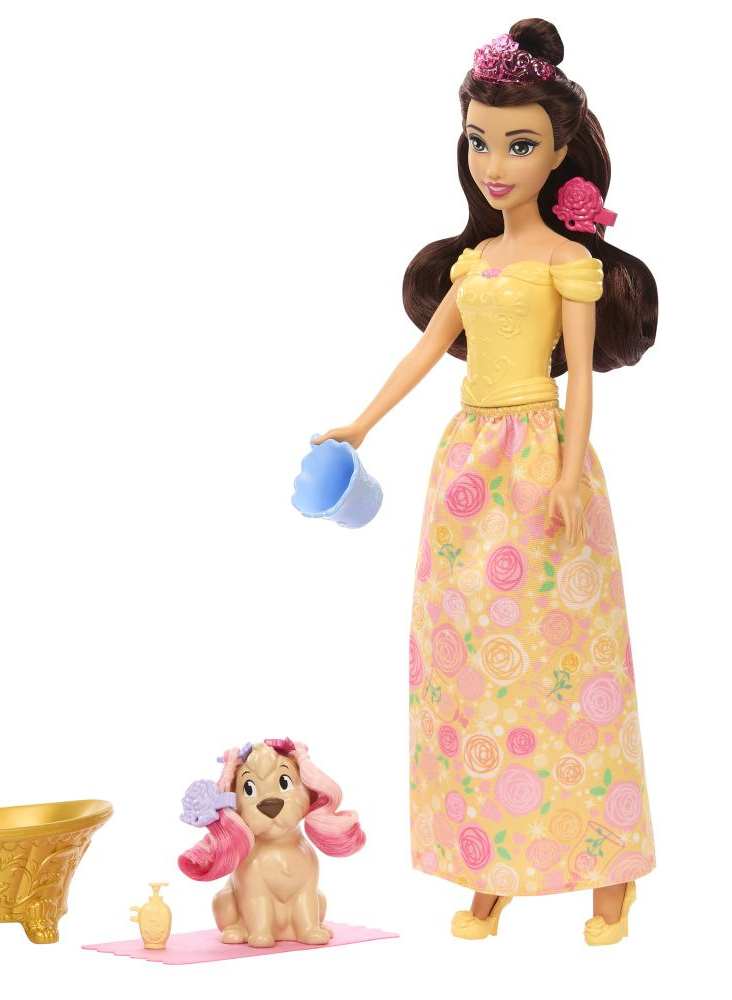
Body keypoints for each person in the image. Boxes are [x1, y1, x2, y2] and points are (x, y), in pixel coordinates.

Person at [315, 18, 656, 945]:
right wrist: (361, 424)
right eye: (479, 142)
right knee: (467, 666)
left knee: (568, 665)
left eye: (519, 145)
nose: (494, 165)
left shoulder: (568, 262)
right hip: (467, 468)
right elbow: (426, 352)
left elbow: (579, 380)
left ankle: (608, 867)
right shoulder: (474, 263)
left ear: (559, 153)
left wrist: (567, 474)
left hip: (543, 458)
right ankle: (494, 857)